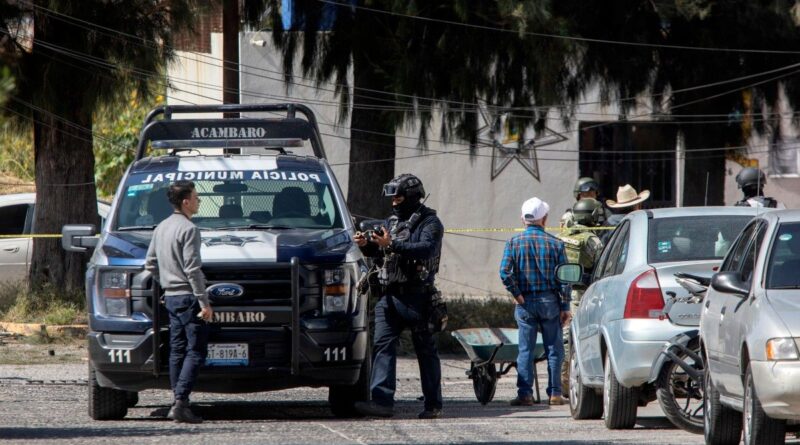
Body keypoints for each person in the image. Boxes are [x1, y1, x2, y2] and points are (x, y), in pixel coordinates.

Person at [353, 173, 444, 419]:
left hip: (419, 297)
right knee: (382, 345)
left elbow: (427, 249)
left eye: (399, 198)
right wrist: (366, 245)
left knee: (425, 350)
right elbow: (381, 250)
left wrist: (392, 245)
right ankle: (382, 402)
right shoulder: (392, 221)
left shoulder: (430, 222)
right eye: (392, 199)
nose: (394, 203)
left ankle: (433, 405)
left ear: (413, 197)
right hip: (389, 296)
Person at [144, 181, 213, 424]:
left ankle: (176, 401)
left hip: (171, 297)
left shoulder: (161, 227)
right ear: (185, 202)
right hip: (188, 297)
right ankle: (181, 402)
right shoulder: (189, 229)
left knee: (177, 350)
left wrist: (165, 281)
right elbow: (193, 269)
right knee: (196, 350)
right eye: (196, 197)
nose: (199, 201)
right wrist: (203, 302)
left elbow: (150, 263)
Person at [500, 197, 570, 406]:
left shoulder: (513, 242)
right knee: (554, 349)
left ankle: (525, 394)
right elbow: (564, 278)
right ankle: (555, 393)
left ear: (523, 219)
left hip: (525, 302)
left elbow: (504, 272)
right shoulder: (556, 243)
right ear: (545, 219)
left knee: (525, 349)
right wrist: (565, 306)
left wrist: (517, 294)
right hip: (550, 301)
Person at [556, 198, 605, 394]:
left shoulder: (562, 235)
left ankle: (562, 383)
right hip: (584, 293)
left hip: (560, 294)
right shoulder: (592, 240)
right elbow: (603, 266)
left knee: (564, 339)